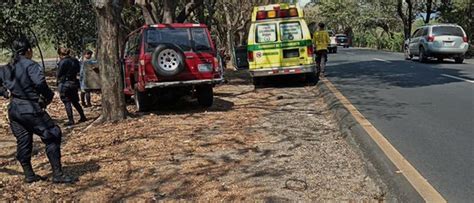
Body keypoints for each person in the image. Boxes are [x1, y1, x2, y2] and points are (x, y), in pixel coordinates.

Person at [0, 37, 75, 183]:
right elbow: (40, 83)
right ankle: (58, 175)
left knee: (23, 140)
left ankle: (29, 174)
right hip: (30, 108)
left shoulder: (6, 68)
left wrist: (5, 92)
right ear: (28, 50)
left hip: (14, 110)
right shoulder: (30, 65)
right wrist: (49, 95)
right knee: (53, 134)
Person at [57, 47, 87, 126]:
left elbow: (59, 74)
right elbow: (78, 69)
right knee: (75, 101)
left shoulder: (62, 62)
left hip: (65, 83)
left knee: (67, 102)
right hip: (73, 82)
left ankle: (71, 120)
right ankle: (83, 116)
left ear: (60, 54)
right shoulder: (75, 60)